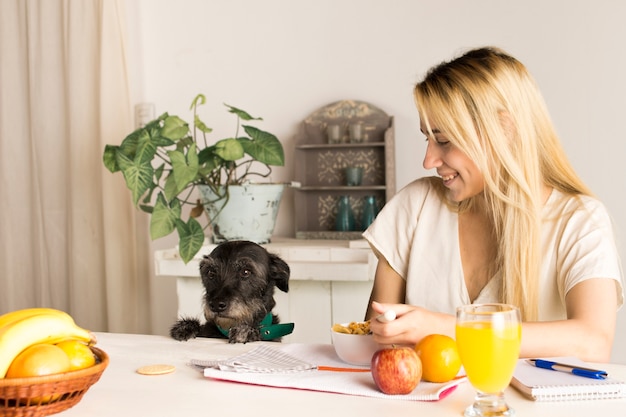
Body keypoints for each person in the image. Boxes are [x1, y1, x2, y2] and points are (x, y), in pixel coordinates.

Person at [363, 46, 623, 362]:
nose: (428, 159)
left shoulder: (579, 221)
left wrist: (445, 328)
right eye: (427, 139)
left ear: (504, 128)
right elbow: (372, 345)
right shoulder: (414, 206)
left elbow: (592, 342)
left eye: (444, 140)